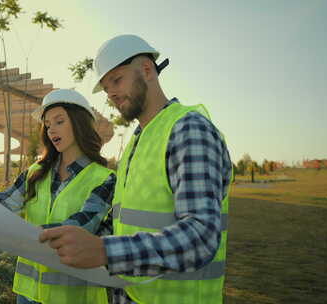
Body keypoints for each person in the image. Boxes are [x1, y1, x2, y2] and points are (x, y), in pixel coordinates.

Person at [39, 34, 232, 304]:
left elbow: (200, 236)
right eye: (106, 88)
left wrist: (105, 251)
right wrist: (78, 241)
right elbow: (125, 223)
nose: (112, 94)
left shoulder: (188, 129)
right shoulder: (136, 142)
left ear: (147, 70)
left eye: (117, 80)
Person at [0, 88, 115, 304]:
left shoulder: (103, 178)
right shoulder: (35, 173)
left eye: (59, 121)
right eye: (47, 125)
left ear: (79, 123)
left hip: (74, 297)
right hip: (28, 294)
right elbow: (4, 205)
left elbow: (81, 227)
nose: (51, 130)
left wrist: (29, 234)